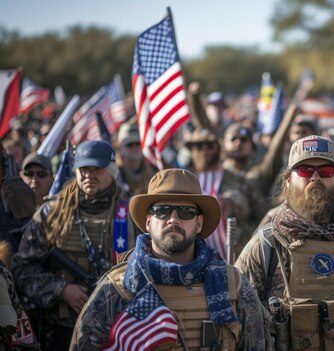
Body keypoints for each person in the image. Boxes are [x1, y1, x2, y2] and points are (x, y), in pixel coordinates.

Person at [70, 169, 271, 350]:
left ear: (199, 223)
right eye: (162, 210)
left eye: (186, 212)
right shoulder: (117, 289)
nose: (173, 219)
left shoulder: (233, 286)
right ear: (148, 222)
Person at [236, 135, 334, 350]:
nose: (315, 177)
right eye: (306, 170)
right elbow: (238, 316)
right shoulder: (268, 243)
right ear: (288, 179)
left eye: (325, 171)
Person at [11, 140, 136, 351]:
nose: (88, 175)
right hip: (61, 329)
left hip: (117, 329)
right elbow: (21, 268)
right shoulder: (52, 214)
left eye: (96, 168)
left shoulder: (131, 215)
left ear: (112, 170)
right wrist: (61, 289)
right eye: (83, 169)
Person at [185, 128, 262, 257]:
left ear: (219, 147)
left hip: (235, 255)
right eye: (198, 146)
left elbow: (257, 210)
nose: (205, 150)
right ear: (191, 150)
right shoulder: (185, 179)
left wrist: (232, 204)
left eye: (210, 145)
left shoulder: (236, 178)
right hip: (195, 257)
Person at [115, 120, 157, 197]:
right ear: (120, 148)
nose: (135, 148)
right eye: (129, 144)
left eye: (138, 144)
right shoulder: (115, 175)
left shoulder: (155, 170)